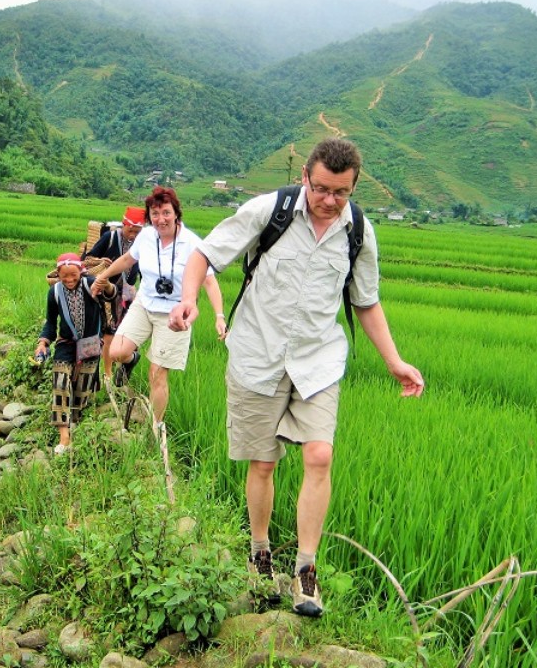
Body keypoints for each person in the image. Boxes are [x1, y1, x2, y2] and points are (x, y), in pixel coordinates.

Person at [169, 138, 424, 617]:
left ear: (354, 187)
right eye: (322, 188)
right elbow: (204, 256)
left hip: (318, 361)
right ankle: (260, 553)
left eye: (341, 193)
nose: (329, 200)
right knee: (263, 465)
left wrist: (395, 361)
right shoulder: (271, 210)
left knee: (320, 455)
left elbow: (365, 301)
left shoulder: (360, 233)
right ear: (306, 175)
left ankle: (306, 571)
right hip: (256, 356)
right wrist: (190, 301)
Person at [92, 186, 227, 433]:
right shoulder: (146, 237)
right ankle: (133, 359)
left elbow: (209, 281)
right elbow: (127, 260)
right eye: (155, 213)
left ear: (176, 213)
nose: (160, 219)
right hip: (144, 304)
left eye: (166, 212)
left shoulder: (193, 244)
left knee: (157, 373)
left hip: (175, 314)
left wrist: (219, 315)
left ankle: (155, 427)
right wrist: (103, 276)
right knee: (116, 352)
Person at [36, 253, 116, 455]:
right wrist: (43, 343)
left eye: (73, 275)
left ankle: (76, 419)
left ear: (81, 272)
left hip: (90, 343)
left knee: (82, 389)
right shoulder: (54, 292)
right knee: (60, 383)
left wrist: (106, 285)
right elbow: (50, 322)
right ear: (58, 274)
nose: (70, 280)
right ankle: (64, 435)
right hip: (66, 343)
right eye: (65, 276)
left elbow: (111, 294)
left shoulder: (91, 284)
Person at [84, 206, 145, 384]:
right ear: (124, 224)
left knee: (121, 334)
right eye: (130, 229)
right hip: (104, 290)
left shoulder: (143, 244)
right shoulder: (109, 237)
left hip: (125, 295)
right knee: (103, 333)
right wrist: (101, 261)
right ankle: (105, 373)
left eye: (137, 231)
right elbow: (88, 259)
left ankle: (121, 365)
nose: (132, 234)